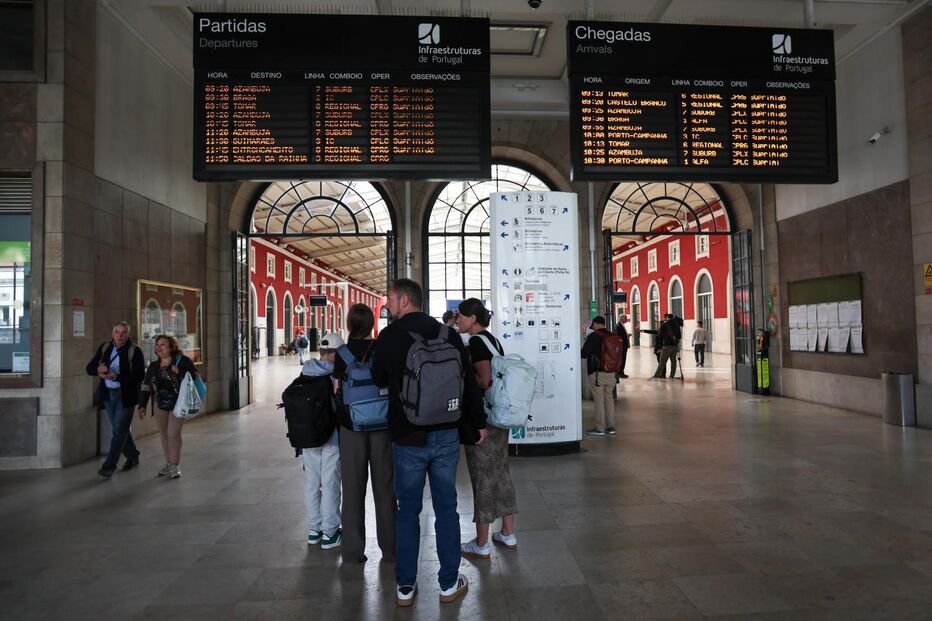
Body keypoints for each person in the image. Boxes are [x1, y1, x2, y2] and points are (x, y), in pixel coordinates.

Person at [370, 279, 483, 607]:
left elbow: (377, 378)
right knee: (447, 508)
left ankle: (405, 586)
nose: (388, 304)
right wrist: (478, 423)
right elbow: (468, 383)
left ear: (404, 301)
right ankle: (448, 584)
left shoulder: (390, 336)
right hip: (446, 432)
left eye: (391, 299)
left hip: (407, 436)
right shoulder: (449, 334)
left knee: (408, 511)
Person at [455, 298, 519, 560]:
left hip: (485, 417)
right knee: (501, 472)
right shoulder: (493, 340)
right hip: (500, 415)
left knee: (482, 477)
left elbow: (483, 380)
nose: (457, 320)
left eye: (460, 316)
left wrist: (463, 375)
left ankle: (481, 543)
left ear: (472, 318)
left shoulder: (476, 343)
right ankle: (507, 533)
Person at [333, 304, 396, 565]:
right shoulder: (383, 348)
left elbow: (337, 389)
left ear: (349, 324)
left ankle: (352, 551)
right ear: (372, 324)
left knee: (352, 490)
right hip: (382, 425)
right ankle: (391, 550)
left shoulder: (342, 354)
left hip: (352, 429)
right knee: (385, 488)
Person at [299, 333, 343, 550]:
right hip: (330, 437)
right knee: (330, 483)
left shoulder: (306, 371)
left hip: (308, 437)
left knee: (311, 484)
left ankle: (313, 530)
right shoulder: (335, 375)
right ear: (334, 353)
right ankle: (330, 533)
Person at [86, 321, 146, 478]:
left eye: (124, 332)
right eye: (117, 332)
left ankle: (109, 465)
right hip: (108, 395)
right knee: (119, 429)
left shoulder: (135, 351)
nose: (120, 336)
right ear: (112, 334)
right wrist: (98, 370)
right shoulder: (105, 347)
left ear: (128, 334)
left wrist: (117, 376)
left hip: (126, 396)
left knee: (119, 430)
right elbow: (89, 368)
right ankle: (132, 455)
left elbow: (139, 376)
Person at [136, 334, 199, 479]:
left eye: (162, 345)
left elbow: (196, 375)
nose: (159, 348)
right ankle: (169, 463)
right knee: (164, 435)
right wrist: (142, 405)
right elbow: (146, 387)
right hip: (160, 404)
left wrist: (181, 372)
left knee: (173, 433)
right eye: (157, 345)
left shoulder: (182, 361)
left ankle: (175, 465)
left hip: (179, 403)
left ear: (171, 347)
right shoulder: (154, 366)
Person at [580, 316, 617, 437]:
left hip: (597, 374)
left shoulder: (594, 337)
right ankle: (611, 427)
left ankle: (600, 428)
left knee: (599, 401)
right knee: (609, 400)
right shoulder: (612, 335)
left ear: (595, 324)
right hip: (611, 372)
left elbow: (584, 354)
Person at [649, 314, 682, 380]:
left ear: (667, 318)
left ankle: (656, 376)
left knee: (662, 362)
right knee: (673, 362)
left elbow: (660, 336)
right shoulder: (677, 325)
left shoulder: (664, 325)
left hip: (667, 345)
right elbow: (679, 336)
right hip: (674, 346)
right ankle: (671, 376)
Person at [614, 314, 631, 379]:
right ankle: (620, 373)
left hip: (623, 345)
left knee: (623, 359)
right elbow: (618, 336)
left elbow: (622, 335)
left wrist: (627, 336)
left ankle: (621, 372)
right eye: (625, 318)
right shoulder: (618, 326)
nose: (626, 319)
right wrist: (625, 337)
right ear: (621, 318)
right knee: (622, 359)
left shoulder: (621, 325)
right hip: (621, 346)